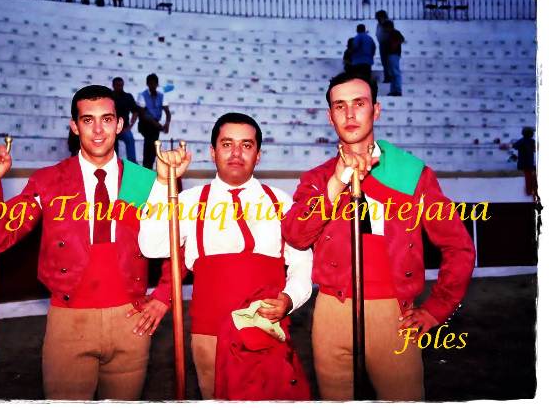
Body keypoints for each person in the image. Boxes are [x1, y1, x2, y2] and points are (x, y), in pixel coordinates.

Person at [281, 72, 475, 400]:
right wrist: (336, 184)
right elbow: (296, 236)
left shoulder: (412, 173)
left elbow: (459, 247)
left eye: (359, 103)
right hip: (331, 312)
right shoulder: (317, 178)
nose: (350, 114)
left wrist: (436, 308)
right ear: (330, 116)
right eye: (340, 106)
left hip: (393, 315)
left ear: (377, 110)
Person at [0, 85, 174, 400]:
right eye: (87, 120)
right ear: (74, 126)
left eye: (107, 119)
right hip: (68, 323)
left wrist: (163, 296)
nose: (98, 130)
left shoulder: (140, 180)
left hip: (131, 322)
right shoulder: (49, 180)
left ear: (120, 125)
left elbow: (175, 242)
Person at [138, 113, 313, 399]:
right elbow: (152, 245)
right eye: (227, 144)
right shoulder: (188, 201)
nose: (236, 153)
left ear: (258, 155)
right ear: (212, 151)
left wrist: (290, 299)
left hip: (267, 329)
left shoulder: (281, 202)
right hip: (210, 335)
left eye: (246, 145)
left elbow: (302, 264)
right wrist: (161, 182)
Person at [134, 73, 171, 170]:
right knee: (150, 142)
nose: (153, 85)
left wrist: (167, 124)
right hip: (145, 124)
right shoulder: (142, 95)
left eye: (154, 83)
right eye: (150, 83)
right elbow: (142, 114)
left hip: (155, 125)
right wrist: (157, 124)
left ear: (157, 84)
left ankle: (148, 166)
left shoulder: (161, 96)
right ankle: (147, 166)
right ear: (147, 84)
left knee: (153, 144)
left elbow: (167, 112)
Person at [112, 76, 140, 163]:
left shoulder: (128, 96)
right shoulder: (108, 97)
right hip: (111, 129)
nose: (120, 87)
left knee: (130, 139)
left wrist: (130, 126)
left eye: (121, 85)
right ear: (113, 85)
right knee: (111, 144)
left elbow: (135, 111)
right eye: (117, 85)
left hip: (124, 128)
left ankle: (132, 164)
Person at [512, 126, 537, 197]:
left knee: (529, 177)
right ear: (529, 133)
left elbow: (514, 146)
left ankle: (530, 191)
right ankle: (530, 191)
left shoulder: (522, 141)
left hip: (524, 163)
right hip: (528, 164)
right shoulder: (531, 141)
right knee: (530, 177)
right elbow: (535, 149)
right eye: (532, 133)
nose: (533, 134)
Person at [384, 20, 405, 96]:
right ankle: (393, 90)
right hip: (391, 54)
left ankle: (398, 90)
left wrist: (394, 44)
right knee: (393, 73)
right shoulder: (390, 33)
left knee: (395, 73)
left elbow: (401, 39)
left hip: (394, 54)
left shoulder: (395, 32)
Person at [375, 10, 391, 83]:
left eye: (378, 17)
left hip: (387, 44)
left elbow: (389, 33)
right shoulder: (379, 24)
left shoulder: (387, 23)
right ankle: (387, 77)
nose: (377, 19)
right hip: (382, 44)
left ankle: (388, 77)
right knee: (384, 62)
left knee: (387, 62)